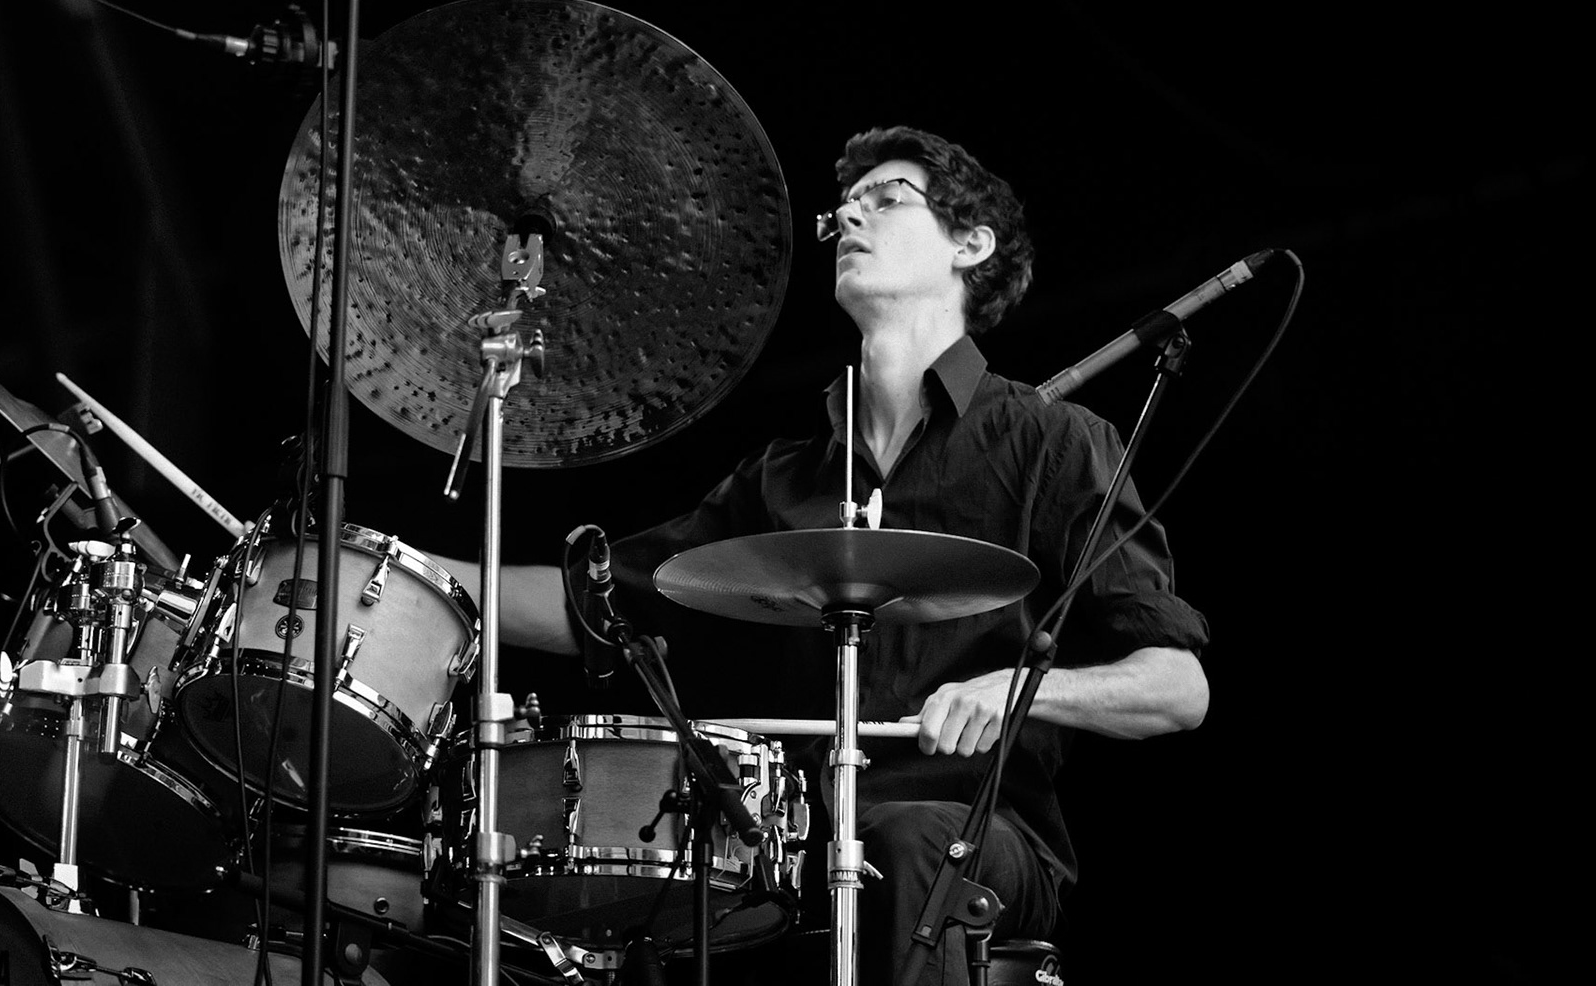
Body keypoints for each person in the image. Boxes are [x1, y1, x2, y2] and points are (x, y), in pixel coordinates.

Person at [438, 125, 1210, 982]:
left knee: (908, 840)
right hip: (797, 840)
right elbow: (601, 606)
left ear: (971, 245)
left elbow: (1178, 687)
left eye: (886, 200)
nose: (850, 217)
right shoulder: (784, 476)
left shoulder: (1056, 444)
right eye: (844, 207)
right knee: (653, 901)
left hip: (971, 837)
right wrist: (415, 578)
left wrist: (1018, 689)